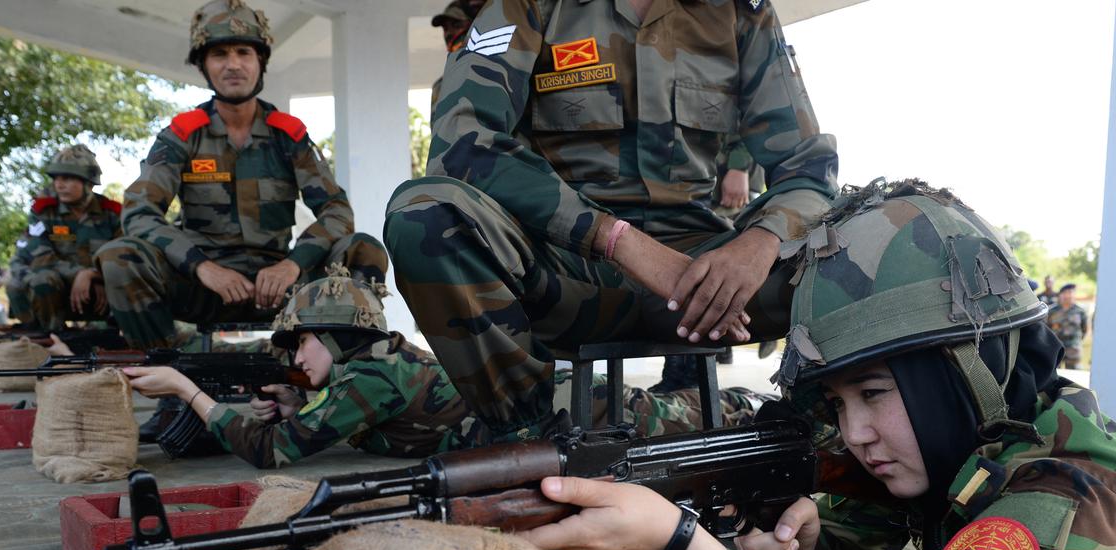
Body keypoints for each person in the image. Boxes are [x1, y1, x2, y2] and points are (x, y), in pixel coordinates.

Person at [520, 181, 1116, 550]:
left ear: (964, 373)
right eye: (838, 403)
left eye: (874, 393)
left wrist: (679, 542)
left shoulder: (1066, 492)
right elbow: (853, 544)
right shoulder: (953, 452)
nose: (856, 434)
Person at [385, 0, 837, 442]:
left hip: (699, 279)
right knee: (423, 213)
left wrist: (758, 244)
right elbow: (460, 144)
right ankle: (528, 439)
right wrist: (613, 238)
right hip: (564, 274)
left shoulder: (740, 10)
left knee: (885, 233)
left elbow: (807, 165)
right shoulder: (527, 6)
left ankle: (813, 439)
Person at [117, 271, 768, 469]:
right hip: (551, 409)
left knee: (706, 419)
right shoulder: (366, 375)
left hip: (573, 407)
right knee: (679, 413)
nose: (293, 360)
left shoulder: (367, 379)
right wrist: (294, 402)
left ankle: (759, 403)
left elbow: (270, 453)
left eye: (302, 344)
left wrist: (185, 388)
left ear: (341, 339)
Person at [96, 0, 388, 351]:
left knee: (363, 249)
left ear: (260, 62)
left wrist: (293, 265)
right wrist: (202, 267)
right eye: (219, 54)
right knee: (120, 256)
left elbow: (337, 211)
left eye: (243, 52)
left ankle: (345, 370)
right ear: (203, 65)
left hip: (281, 287)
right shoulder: (182, 136)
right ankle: (170, 369)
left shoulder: (288, 136)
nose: (233, 64)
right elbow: (139, 212)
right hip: (203, 287)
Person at [20, 144, 120, 330]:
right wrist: (79, 274)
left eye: (66, 178)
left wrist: (95, 276)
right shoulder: (43, 212)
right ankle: (54, 338)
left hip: (105, 289)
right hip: (59, 289)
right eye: (56, 178)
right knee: (41, 279)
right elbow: (41, 257)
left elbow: (125, 258)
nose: (59, 184)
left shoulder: (112, 213)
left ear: (88, 182)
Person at [429, 0, 485, 110]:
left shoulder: (498, 70)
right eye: (445, 28)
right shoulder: (441, 87)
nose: (449, 33)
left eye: (456, 24)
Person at [1047, 283, 1087, 369]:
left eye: (1071, 293)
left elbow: (1085, 329)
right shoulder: (1051, 311)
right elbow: (1046, 328)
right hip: (1056, 348)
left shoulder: (1080, 311)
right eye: (1066, 293)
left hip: (1073, 348)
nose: (1068, 295)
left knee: (1075, 375)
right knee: (1054, 374)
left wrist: (1076, 341)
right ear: (1061, 295)